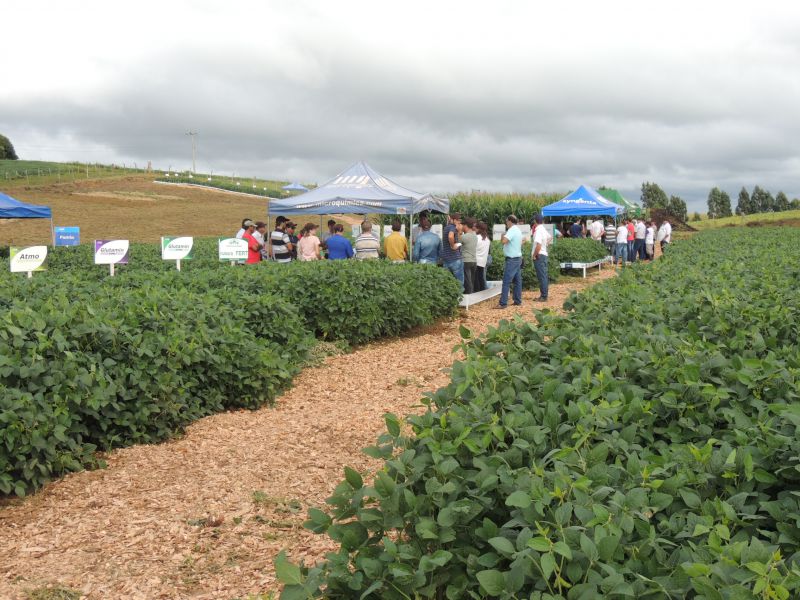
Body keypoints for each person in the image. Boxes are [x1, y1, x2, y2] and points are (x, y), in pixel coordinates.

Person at [494, 214, 523, 309]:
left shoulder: (511, 230)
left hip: (512, 259)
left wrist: (502, 236)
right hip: (518, 258)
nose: (506, 223)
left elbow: (504, 241)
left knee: (506, 281)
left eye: (506, 221)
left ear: (510, 221)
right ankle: (517, 300)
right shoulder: (518, 230)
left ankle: (503, 303)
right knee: (517, 281)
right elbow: (523, 241)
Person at [531, 215, 552, 301]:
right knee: (544, 275)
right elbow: (550, 237)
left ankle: (543, 296)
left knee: (541, 276)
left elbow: (538, 245)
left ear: (535, 221)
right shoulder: (543, 229)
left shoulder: (538, 230)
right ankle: (544, 294)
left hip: (539, 255)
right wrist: (545, 244)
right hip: (544, 254)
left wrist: (534, 255)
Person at [441, 213, 464, 289]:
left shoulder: (446, 228)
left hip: (446, 259)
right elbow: (450, 236)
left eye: (459, 220)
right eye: (457, 220)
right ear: (452, 219)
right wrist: (453, 245)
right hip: (455, 259)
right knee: (459, 282)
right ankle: (460, 299)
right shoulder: (452, 227)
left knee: (447, 282)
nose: (459, 221)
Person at [461, 218, 478, 294]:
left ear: (466, 225)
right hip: (474, 261)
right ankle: (472, 296)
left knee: (467, 281)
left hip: (466, 260)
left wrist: (459, 232)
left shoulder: (464, 237)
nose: (461, 227)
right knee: (471, 280)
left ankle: (469, 297)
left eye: (462, 225)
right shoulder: (475, 236)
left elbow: (456, 243)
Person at [475, 221, 491, 292]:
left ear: (478, 229)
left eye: (475, 227)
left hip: (476, 261)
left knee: (476, 279)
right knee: (481, 278)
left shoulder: (476, 237)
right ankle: (483, 293)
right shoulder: (487, 239)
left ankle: (477, 293)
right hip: (483, 261)